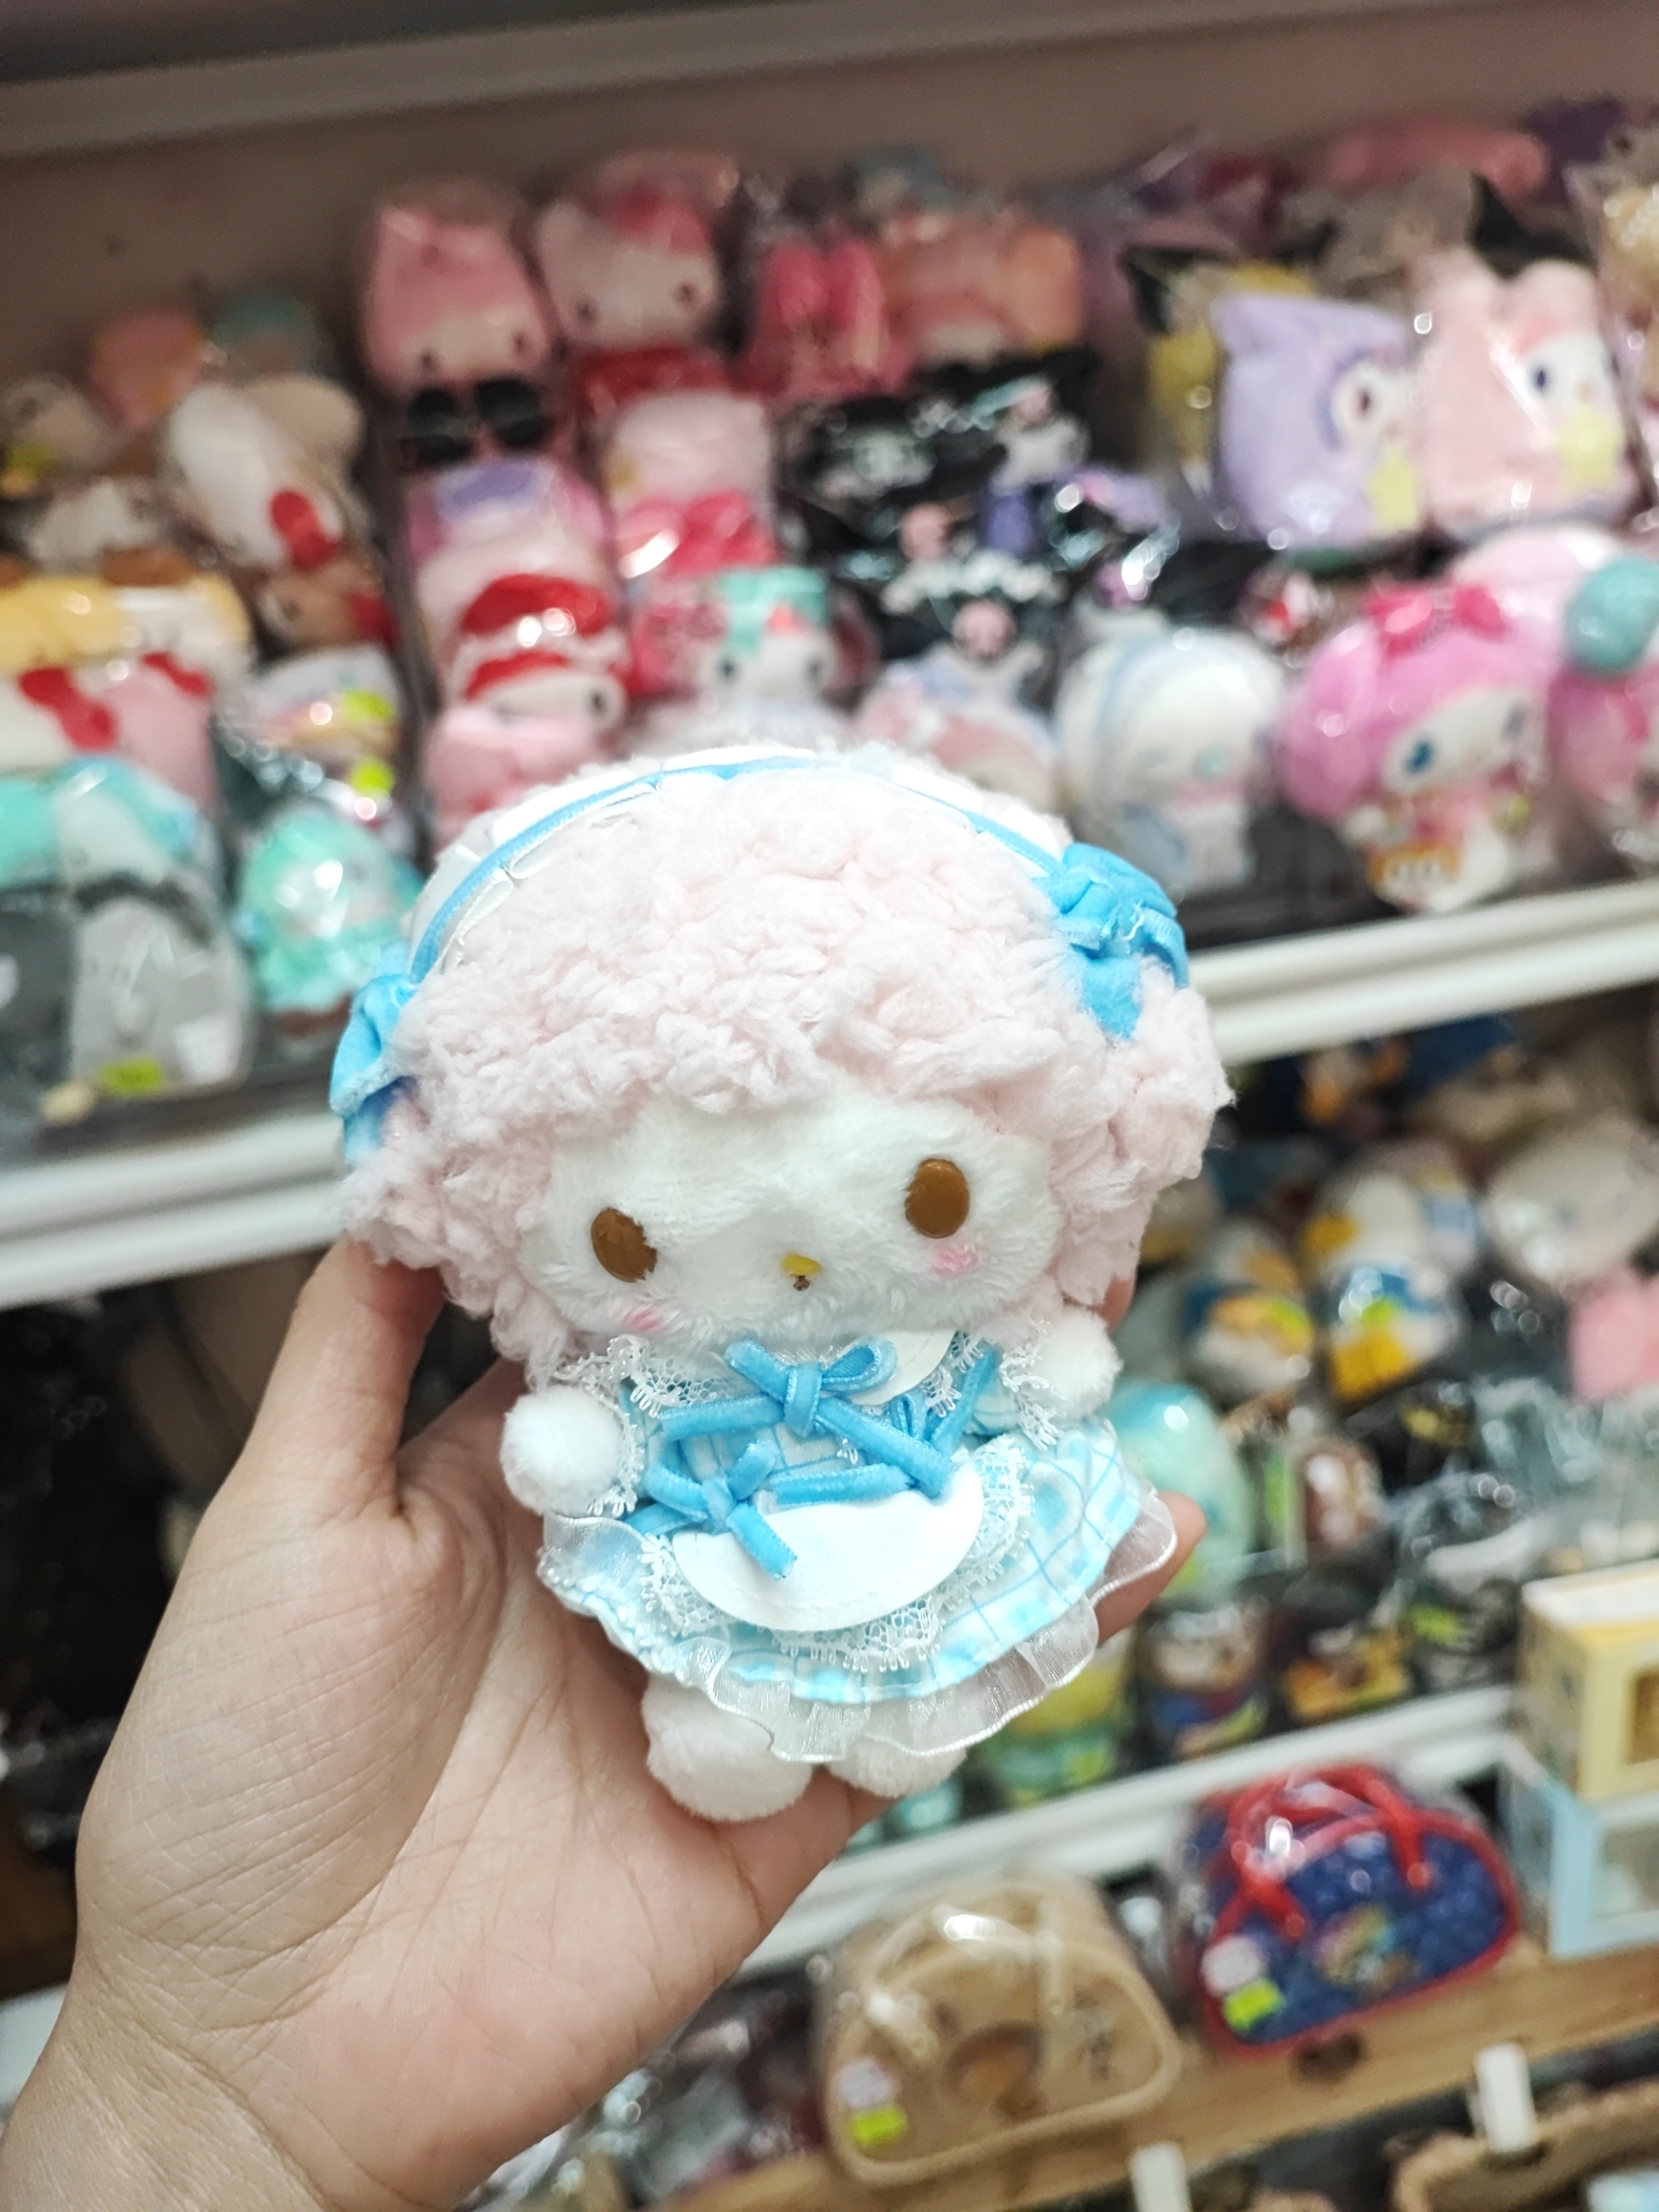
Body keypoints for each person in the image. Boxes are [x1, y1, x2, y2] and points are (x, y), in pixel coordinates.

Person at [0, 1242, 1197, 2209]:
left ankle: (888, 1703)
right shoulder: (652, 1366)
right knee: (708, 1677)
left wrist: (197, 2102)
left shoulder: (930, 1328)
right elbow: (581, 1450)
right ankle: (755, 1725)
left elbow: (1037, 1368)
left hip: (908, 1500)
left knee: (915, 1655)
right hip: (720, 1529)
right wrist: (194, 2084)